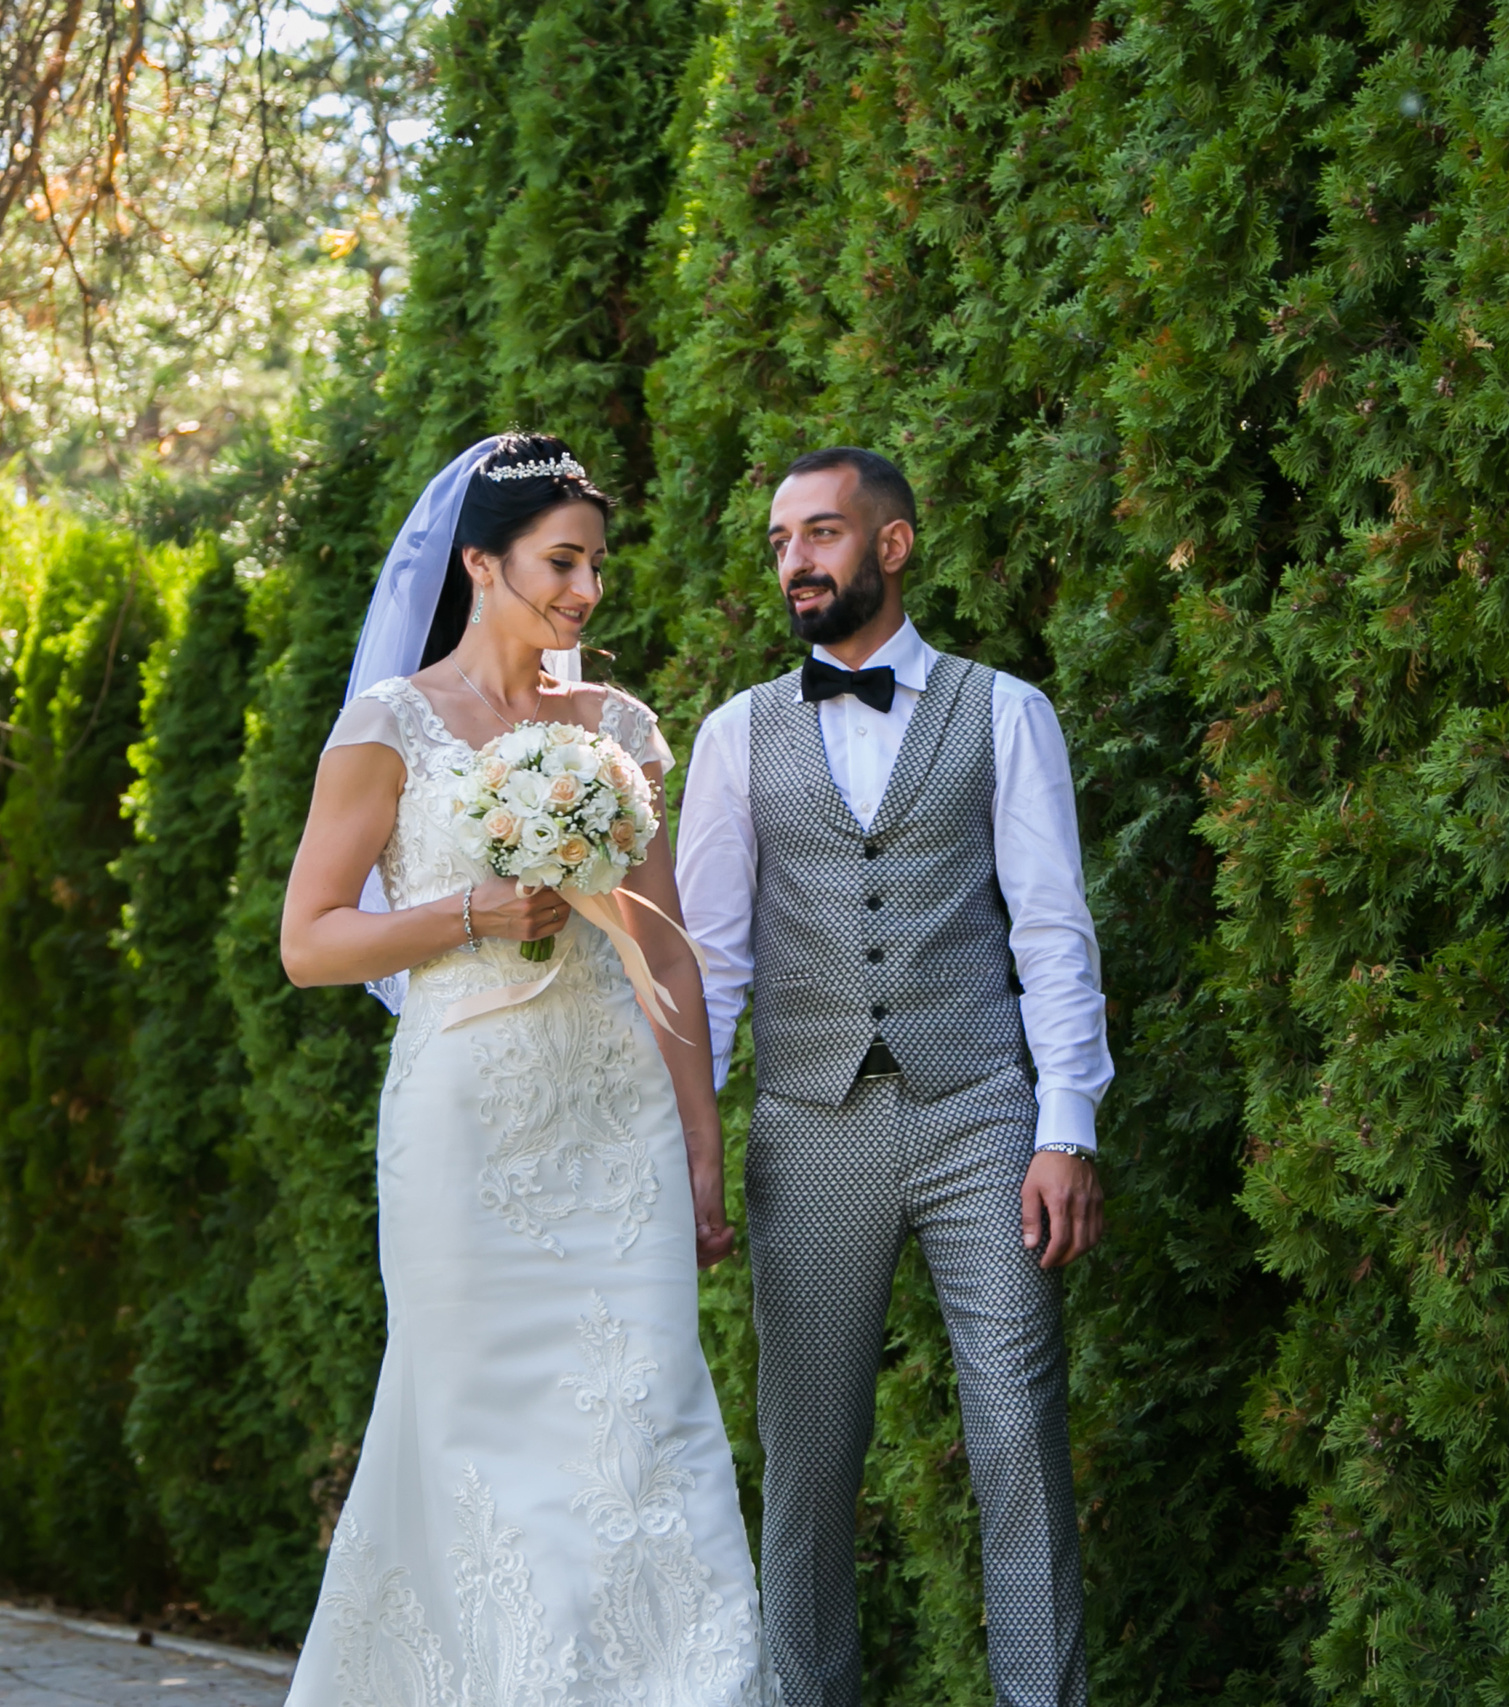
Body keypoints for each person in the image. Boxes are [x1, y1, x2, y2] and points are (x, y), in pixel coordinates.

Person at [278, 432, 775, 1706]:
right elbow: (309, 941)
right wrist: (469, 916)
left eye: (596, 567)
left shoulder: (617, 732)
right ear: (480, 564)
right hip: (464, 1130)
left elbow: (665, 952)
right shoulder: (388, 726)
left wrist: (701, 1141)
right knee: (470, 1442)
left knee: (644, 1430)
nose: (585, 593)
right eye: (562, 563)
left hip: (614, 1126)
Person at [674, 447, 1113, 1707]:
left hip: (983, 1122)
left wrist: (1064, 1128)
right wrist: (696, 1156)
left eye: (819, 534)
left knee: (1020, 1446)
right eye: (778, 542)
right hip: (808, 1128)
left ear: (894, 545)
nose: (795, 563)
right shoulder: (733, 735)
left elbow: (1051, 934)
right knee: (807, 1463)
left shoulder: (1005, 710)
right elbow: (711, 971)